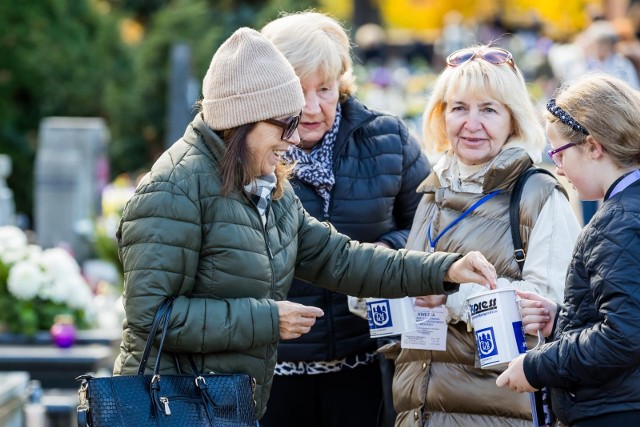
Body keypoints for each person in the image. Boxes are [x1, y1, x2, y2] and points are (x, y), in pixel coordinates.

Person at [113, 27, 498, 423]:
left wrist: (444, 269)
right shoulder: (172, 189)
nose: (295, 137)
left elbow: (341, 259)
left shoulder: (265, 184)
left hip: (224, 404)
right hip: (174, 407)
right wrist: (268, 320)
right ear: (244, 119)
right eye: (285, 122)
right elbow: (153, 318)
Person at [390, 45, 581, 426]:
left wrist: (447, 291)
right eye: (459, 108)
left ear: (513, 119)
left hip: (501, 410)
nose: (471, 123)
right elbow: (412, 295)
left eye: (489, 110)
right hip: (419, 411)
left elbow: (551, 312)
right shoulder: (433, 189)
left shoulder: (538, 194)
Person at [258, 12, 431, 427]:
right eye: (299, 92)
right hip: (273, 369)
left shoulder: (388, 139)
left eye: (325, 88)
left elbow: (430, 223)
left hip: (367, 362)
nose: (314, 107)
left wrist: (388, 249)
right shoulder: (251, 155)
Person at [496, 74, 640, 426]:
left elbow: (624, 336)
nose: (557, 169)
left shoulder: (618, 223)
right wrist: (562, 319)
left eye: (558, 153)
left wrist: (536, 366)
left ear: (593, 147)